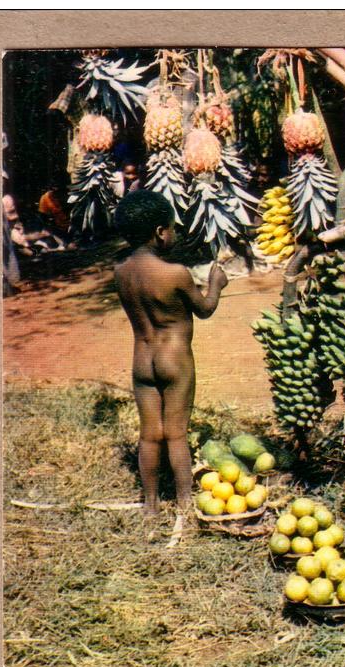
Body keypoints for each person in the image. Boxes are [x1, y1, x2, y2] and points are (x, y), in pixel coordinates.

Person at [114, 190, 228, 516]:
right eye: (172, 228)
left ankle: (150, 504)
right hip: (174, 359)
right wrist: (216, 283)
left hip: (142, 360)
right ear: (160, 232)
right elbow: (204, 308)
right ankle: (185, 502)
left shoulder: (120, 273)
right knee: (176, 434)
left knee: (150, 436)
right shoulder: (176, 273)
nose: (174, 234)